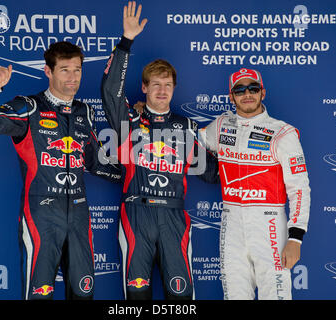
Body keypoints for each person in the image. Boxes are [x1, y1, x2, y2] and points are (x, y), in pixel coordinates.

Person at [0, 41, 121, 300]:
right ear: (47, 71)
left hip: (80, 218)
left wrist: (137, 175)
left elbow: (96, 162)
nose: (73, 78)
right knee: (40, 295)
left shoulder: (85, 112)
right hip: (41, 216)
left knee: (83, 294)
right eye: (64, 70)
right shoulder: (28, 107)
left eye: (77, 70)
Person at [101, 1, 218, 300]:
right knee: (136, 299)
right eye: (155, 84)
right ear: (144, 87)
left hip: (174, 218)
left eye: (167, 85)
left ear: (174, 88)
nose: (162, 90)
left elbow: (213, 173)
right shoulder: (128, 121)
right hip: (136, 214)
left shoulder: (186, 126)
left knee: (181, 297)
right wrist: (126, 41)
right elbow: (110, 91)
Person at [199, 68, 311, 300]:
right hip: (231, 223)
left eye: (253, 88)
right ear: (231, 96)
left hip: (269, 223)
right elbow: (187, 141)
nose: (247, 94)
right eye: (240, 89)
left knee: (276, 295)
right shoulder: (220, 126)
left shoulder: (282, 132)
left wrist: (295, 238)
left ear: (263, 93)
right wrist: (149, 117)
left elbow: (300, 188)